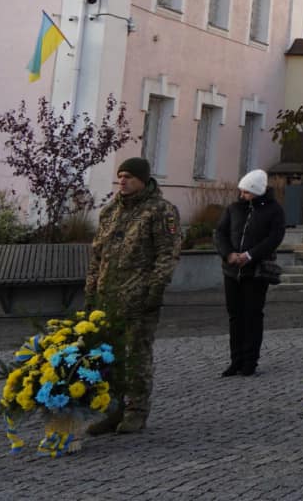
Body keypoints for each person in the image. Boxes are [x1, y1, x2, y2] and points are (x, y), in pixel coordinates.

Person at [85, 156, 181, 435]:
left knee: (137, 356)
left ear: (143, 179)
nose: (123, 181)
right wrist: (90, 290)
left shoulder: (160, 211)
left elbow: (167, 254)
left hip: (139, 297)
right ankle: (111, 410)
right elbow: (97, 255)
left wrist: (154, 290)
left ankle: (137, 411)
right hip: (107, 297)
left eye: (129, 176)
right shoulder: (111, 210)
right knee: (107, 356)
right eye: (120, 176)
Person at [213, 169, 285, 377]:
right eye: (241, 191)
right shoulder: (234, 208)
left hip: (256, 271)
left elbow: (275, 237)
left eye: (246, 192)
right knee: (235, 316)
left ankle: (250, 361)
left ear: (257, 192)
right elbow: (221, 233)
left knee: (252, 315)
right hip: (232, 270)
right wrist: (228, 254)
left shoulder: (273, 210)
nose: (242, 195)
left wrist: (251, 255)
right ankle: (235, 360)